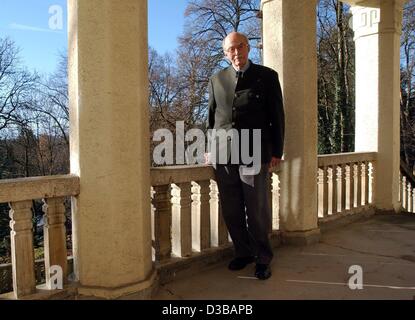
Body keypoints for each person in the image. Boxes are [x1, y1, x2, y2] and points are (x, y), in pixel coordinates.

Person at [206, 32, 285, 280]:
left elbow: (277, 116)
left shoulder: (267, 76)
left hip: (255, 152)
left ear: (248, 48)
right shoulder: (216, 79)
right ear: (225, 53)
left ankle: (263, 258)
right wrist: (209, 148)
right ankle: (243, 252)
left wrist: (276, 151)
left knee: (256, 209)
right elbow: (210, 118)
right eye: (231, 49)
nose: (236, 52)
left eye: (240, 46)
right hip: (224, 154)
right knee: (231, 209)